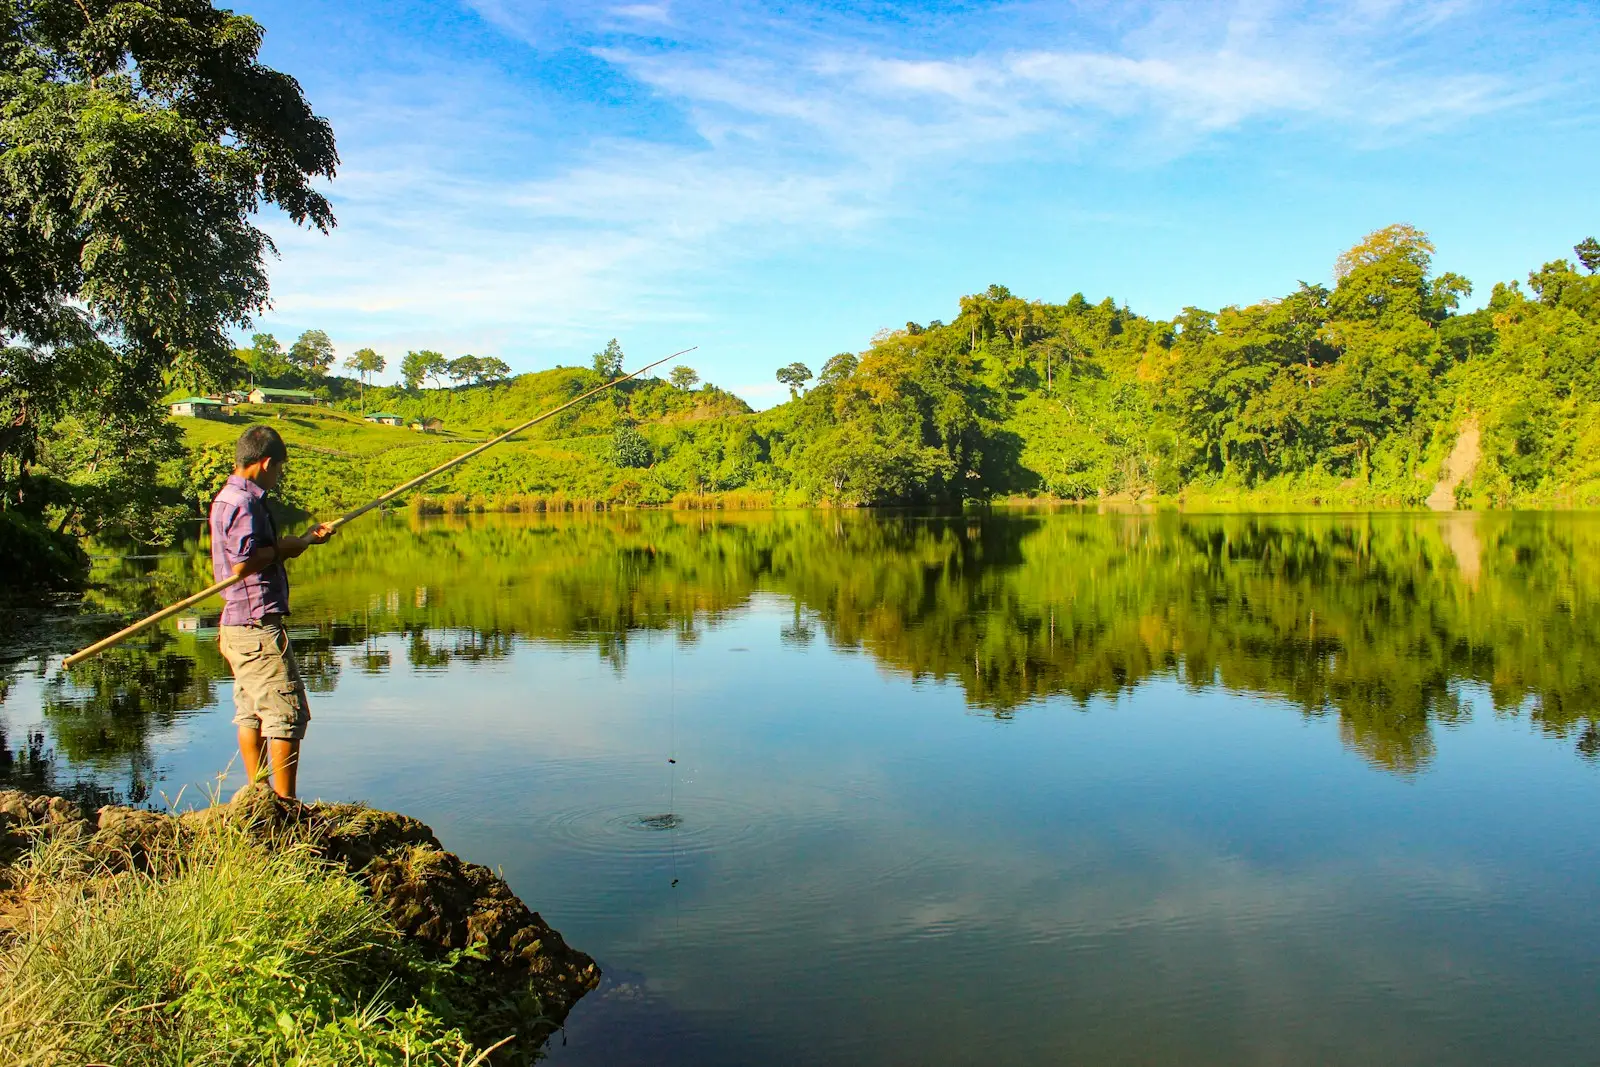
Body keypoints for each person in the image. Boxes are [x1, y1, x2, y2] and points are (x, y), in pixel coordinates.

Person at [210, 425, 335, 798]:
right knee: (286, 715)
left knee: (252, 711)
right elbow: (244, 563)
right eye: (279, 468)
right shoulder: (244, 502)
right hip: (255, 623)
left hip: (237, 623)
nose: (279, 476)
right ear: (265, 463)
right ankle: (284, 805)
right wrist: (288, 548)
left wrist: (305, 540)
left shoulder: (227, 498)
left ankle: (258, 799)